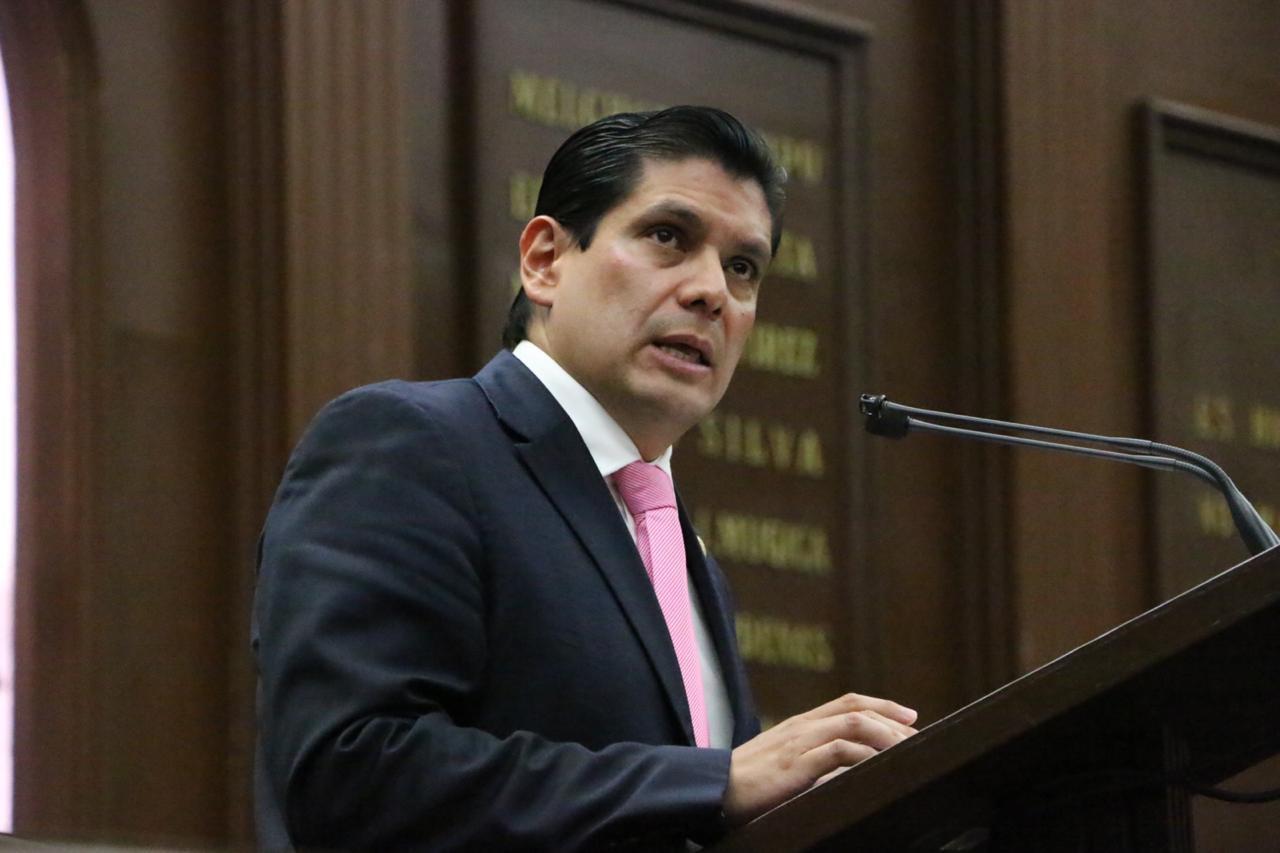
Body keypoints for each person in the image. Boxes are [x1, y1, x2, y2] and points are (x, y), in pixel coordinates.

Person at [253, 106, 917, 851]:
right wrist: (714, 782)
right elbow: (351, 772)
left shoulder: (681, 551)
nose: (711, 291)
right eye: (668, 237)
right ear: (545, 260)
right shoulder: (415, 444)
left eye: (743, 268)